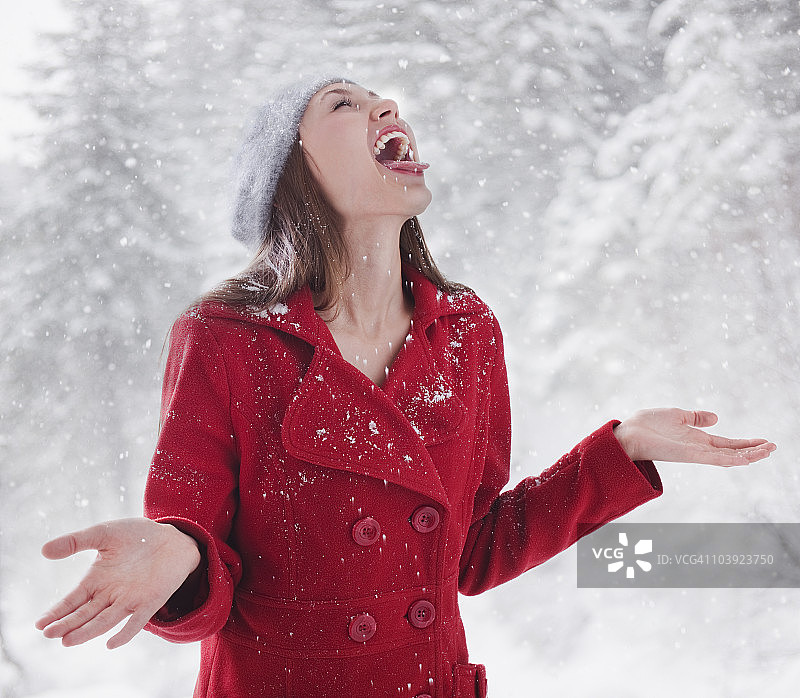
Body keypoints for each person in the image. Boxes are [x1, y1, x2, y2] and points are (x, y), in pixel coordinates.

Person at [35, 75, 777, 698]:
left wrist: (617, 451)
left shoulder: (467, 331)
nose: (387, 108)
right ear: (289, 170)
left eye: (384, 99)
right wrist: (178, 555)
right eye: (342, 104)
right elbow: (204, 569)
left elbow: (473, 551)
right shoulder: (225, 338)